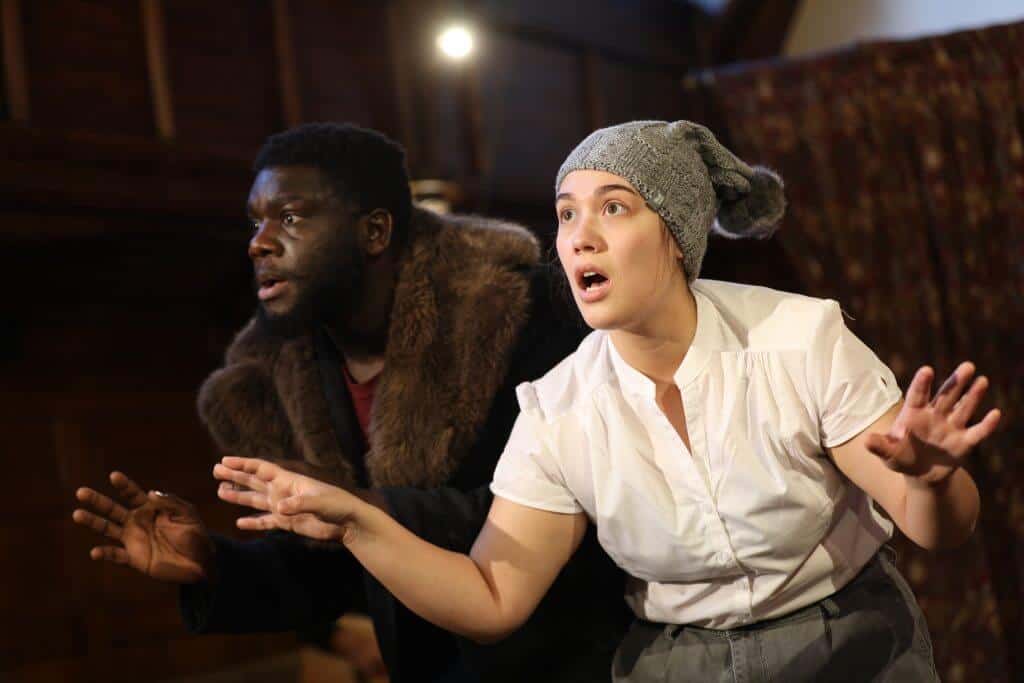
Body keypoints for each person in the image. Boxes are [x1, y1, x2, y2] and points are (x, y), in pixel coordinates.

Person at [211, 120, 1001, 681]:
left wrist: (932, 479)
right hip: (679, 661)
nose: (579, 235)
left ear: (676, 234)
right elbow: (492, 595)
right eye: (566, 214)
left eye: (613, 207)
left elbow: (941, 526)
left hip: (852, 643)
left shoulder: (799, 339)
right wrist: (356, 522)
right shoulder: (559, 407)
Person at [71, 122, 629, 682]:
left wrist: (363, 508)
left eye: (290, 218)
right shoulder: (279, 374)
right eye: (255, 222)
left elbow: (550, 511)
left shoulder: (521, 313)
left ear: (374, 232)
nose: (259, 242)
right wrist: (212, 564)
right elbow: (332, 571)